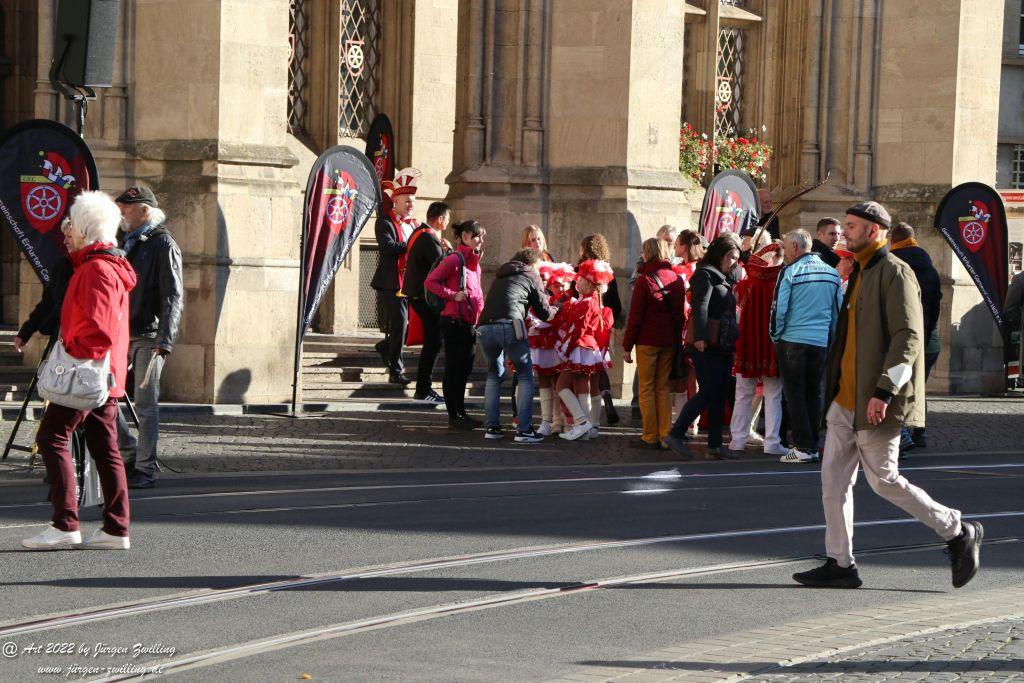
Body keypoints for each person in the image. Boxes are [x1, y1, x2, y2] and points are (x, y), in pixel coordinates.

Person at [793, 201, 982, 590]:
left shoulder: (897, 272)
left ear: (874, 231)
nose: (844, 232)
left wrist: (884, 391)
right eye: (844, 225)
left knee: (883, 480)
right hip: (844, 399)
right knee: (833, 481)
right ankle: (840, 563)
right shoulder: (857, 270)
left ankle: (957, 530)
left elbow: (908, 337)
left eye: (852, 226)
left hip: (875, 398)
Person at [21, 191, 137, 550]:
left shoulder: (96, 269)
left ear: (86, 229)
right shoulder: (100, 266)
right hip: (103, 374)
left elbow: (98, 330)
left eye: (70, 224)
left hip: (86, 373)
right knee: (105, 447)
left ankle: (65, 524)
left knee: (52, 437)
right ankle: (115, 528)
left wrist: (70, 352)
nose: (65, 231)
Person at [113, 186, 184, 490]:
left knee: (145, 402)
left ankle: (144, 467)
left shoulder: (163, 243)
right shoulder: (122, 241)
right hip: (120, 333)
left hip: (149, 335)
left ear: (144, 210)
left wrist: (165, 339)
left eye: (126, 208)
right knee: (104, 397)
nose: (121, 213)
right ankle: (129, 453)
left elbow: (173, 295)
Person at [663, 234, 742, 460]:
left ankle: (715, 445)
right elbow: (701, 305)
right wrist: (701, 336)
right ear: (720, 255)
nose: (734, 262)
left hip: (723, 342)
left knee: (720, 391)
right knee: (709, 390)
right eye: (731, 257)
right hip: (706, 342)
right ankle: (676, 433)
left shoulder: (723, 275)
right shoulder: (704, 274)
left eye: (736, 258)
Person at [769, 229, 842, 464]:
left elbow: (779, 308)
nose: (786, 253)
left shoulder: (790, 272)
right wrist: (831, 338)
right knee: (814, 393)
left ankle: (803, 446)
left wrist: (776, 336)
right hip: (820, 341)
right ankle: (812, 444)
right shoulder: (832, 274)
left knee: (795, 394)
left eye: (787, 248)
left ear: (794, 247)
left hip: (793, 339)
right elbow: (837, 311)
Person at [477, 248, 555, 442]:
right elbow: (544, 312)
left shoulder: (501, 275)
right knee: (525, 375)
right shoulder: (530, 273)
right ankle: (525, 430)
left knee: (494, 375)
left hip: (485, 327)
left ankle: (492, 428)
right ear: (532, 262)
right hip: (510, 326)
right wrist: (556, 308)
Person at [623, 238, 686, 449]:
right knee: (663, 389)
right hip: (669, 342)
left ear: (647, 253)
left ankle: (650, 435)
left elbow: (636, 317)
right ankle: (665, 435)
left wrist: (626, 345)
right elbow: (680, 315)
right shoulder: (676, 279)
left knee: (647, 388)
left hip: (647, 341)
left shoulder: (644, 280)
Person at [425, 220, 485, 430]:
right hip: (453, 321)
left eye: (481, 236)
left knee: (465, 368)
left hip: (468, 323)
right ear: (465, 237)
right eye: (476, 236)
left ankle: (461, 412)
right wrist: (452, 295)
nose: (480, 240)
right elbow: (430, 282)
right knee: (455, 368)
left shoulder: (474, 262)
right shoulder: (454, 259)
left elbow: (476, 292)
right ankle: (454, 414)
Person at [729, 239, 787, 457]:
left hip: (747, 343)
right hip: (772, 343)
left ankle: (738, 439)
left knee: (743, 393)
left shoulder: (744, 286)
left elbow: (734, 315)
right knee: (773, 394)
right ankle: (772, 441)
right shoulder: (781, 285)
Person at [889, 222, 942, 450]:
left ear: (893, 240)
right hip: (929, 339)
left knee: (895, 385)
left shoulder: (892, 265)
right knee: (918, 384)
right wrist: (928, 331)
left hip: (900, 337)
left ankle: (900, 434)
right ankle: (919, 432)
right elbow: (936, 303)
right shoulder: (929, 266)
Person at [554, 259, 616, 441]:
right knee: (584, 386)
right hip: (588, 348)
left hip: (580, 347)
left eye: (580, 279)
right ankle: (588, 428)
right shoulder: (592, 301)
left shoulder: (586, 303)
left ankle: (582, 422)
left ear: (589, 283)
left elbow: (579, 330)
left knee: (561, 386)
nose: (576, 281)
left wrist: (568, 349)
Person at [371, 167, 421, 385]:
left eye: (413, 201)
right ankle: (395, 370)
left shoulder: (415, 225)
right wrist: (413, 245)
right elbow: (388, 247)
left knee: (410, 324)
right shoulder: (384, 222)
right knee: (401, 322)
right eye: (408, 201)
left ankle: (386, 347)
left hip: (411, 281)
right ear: (396, 201)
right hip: (391, 282)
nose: (412, 204)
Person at [403, 201, 452, 405]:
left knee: (433, 341)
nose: (448, 223)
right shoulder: (428, 238)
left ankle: (423, 389)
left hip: (418, 295)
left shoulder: (421, 233)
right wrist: (449, 251)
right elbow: (444, 267)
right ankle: (423, 389)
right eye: (447, 219)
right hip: (424, 297)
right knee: (433, 342)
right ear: (440, 219)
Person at [578, 234, 622, 424]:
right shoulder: (607, 272)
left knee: (582, 370)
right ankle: (607, 402)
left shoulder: (581, 270)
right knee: (600, 365)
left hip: (585, 325)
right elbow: (617, 306)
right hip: (604, 325)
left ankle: (583, 416)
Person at [532, 263, 576, 436]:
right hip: (546, 344)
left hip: (564, 347)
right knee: (545, 380)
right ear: (549, 285)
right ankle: (547, 421)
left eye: (564, 284)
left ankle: (564, 421)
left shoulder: (572, 302)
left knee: (560, 384)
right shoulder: (546, 301)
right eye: (557, 284)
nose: (561, 288)